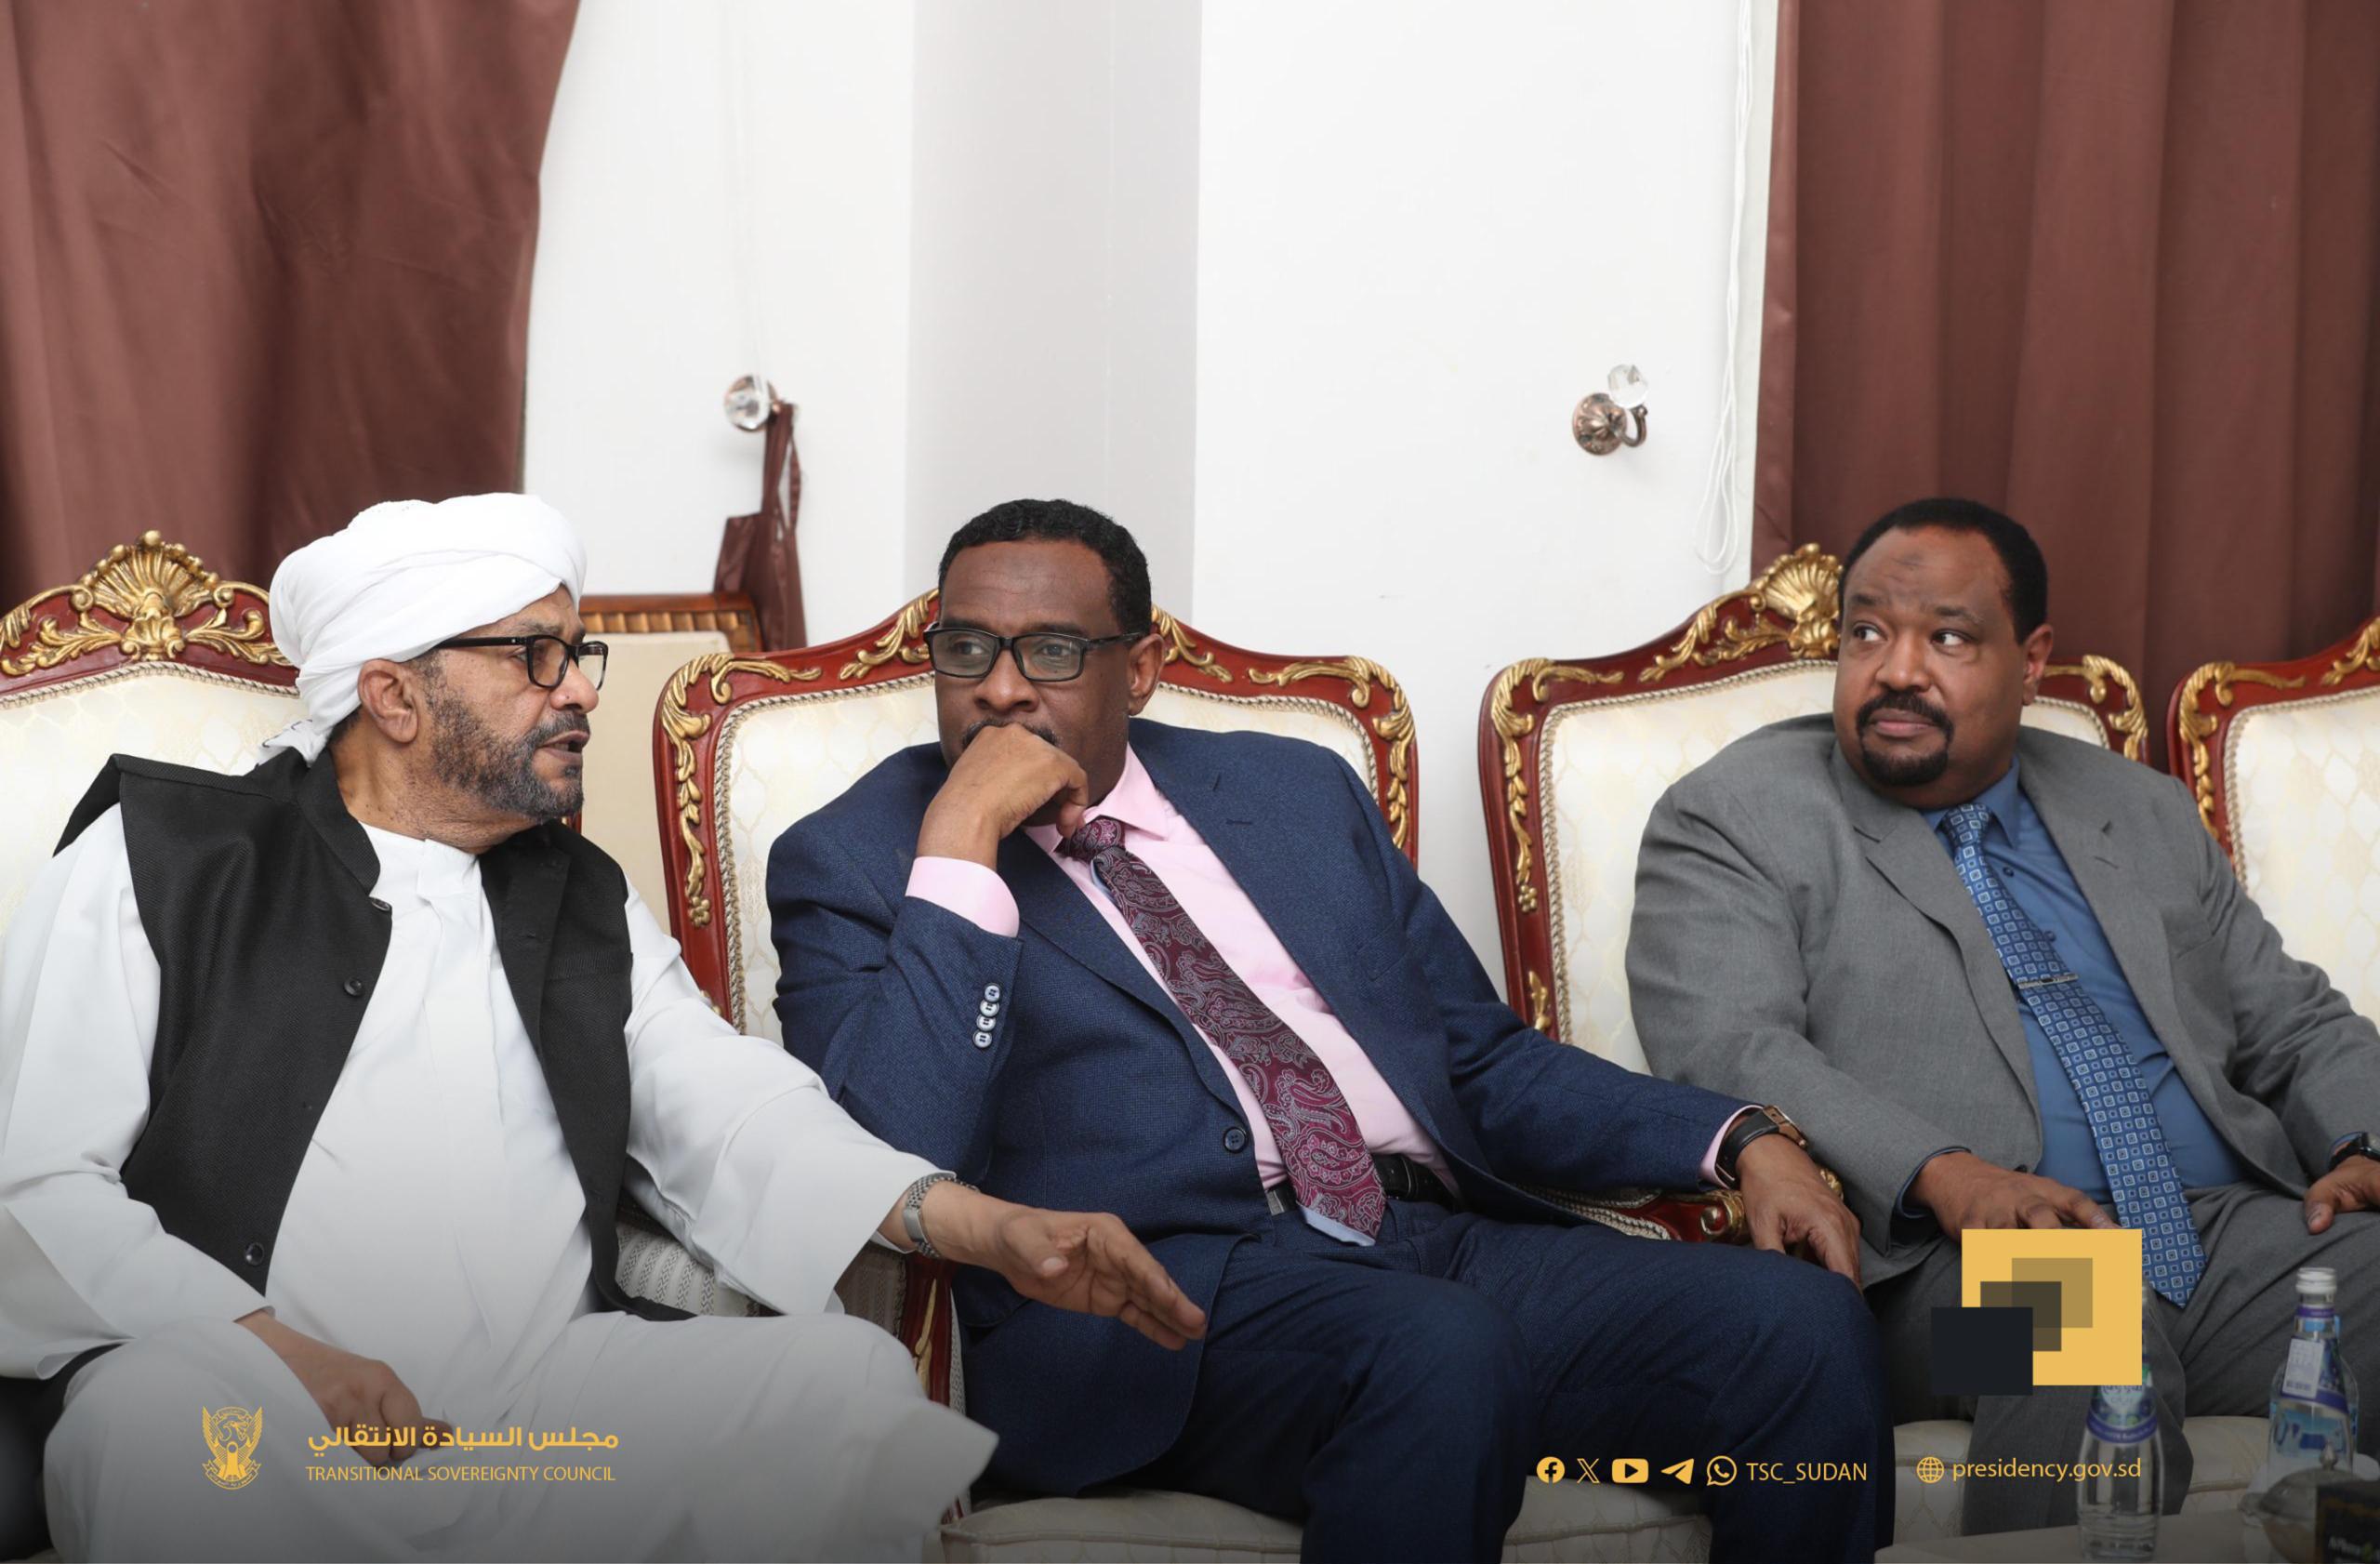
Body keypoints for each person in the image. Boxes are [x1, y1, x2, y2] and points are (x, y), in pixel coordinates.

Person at [0, 494, 1205, 1563]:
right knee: (151, 1430)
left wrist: (985, 1224)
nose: (579, 688)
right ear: (394, 694)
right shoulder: (168, 857)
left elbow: (728, 1112)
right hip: (266, 1404)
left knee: (846, 1382)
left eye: (577, 654)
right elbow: (35, 1181)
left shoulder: (576, 893)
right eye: (536, 655)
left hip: (546, 1426)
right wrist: (276, 1351)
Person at [767, 497, 1893, 1564]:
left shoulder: (1292, 790)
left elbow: (1478, 1058)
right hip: (1160, 1303)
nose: (1002, 689)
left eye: (1051, 651)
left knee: (1800, 1326)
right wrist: (961, 842)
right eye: (966, 650)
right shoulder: (857, 857)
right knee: (1434, 1347)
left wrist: (1739, 1136)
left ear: (1140, 667)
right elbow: (887, 1151)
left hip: (1426, 1239)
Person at [1629, 497, 2380, 1533]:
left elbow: (2293, 1018)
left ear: (2031, 664)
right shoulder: (1736, 814)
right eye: (1865, 632)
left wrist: (2361, 1140)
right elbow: (1729, 1044)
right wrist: (1949, 1173)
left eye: (1947, 637)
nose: (1896, 669)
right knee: (2082, 1322)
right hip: (1942, 1272)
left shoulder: (2139, 808)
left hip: (2216, 1242)